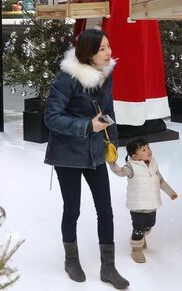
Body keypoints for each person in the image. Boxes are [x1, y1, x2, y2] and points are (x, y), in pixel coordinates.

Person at [43, 29, 129, 289]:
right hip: (67, 155)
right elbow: (51, 117)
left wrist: (112, 148)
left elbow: (109, 112)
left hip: (94, 154)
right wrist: (86, 126)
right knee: (73, 209)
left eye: (109, 46)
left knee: (106, 210)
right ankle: (71, 260)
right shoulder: (68, 78)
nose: (108, 52)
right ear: (88, 53)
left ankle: (108, 268)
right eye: (102, 49)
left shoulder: (106, 75)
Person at [108, 139, 178, 263]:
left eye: (148, 147)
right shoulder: (131, 167)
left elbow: (160, 180)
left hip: (152, 202)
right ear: (134, 155)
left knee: (150, 224)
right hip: (138, 205)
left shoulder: (153, 163)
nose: (148, 151)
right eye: (144, 149)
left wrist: (170, 192)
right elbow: (119, 172)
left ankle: (140, 238)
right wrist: (112, 162)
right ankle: (136, 249)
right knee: (139, 228)